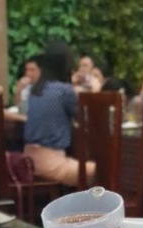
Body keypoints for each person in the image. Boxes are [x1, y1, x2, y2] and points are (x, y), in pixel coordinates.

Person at [23, 41, 95, 187]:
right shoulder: (64, 91)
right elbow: (84, 119)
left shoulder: (35, 90)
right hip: (52, 164)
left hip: (29, 161)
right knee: (101, 170)